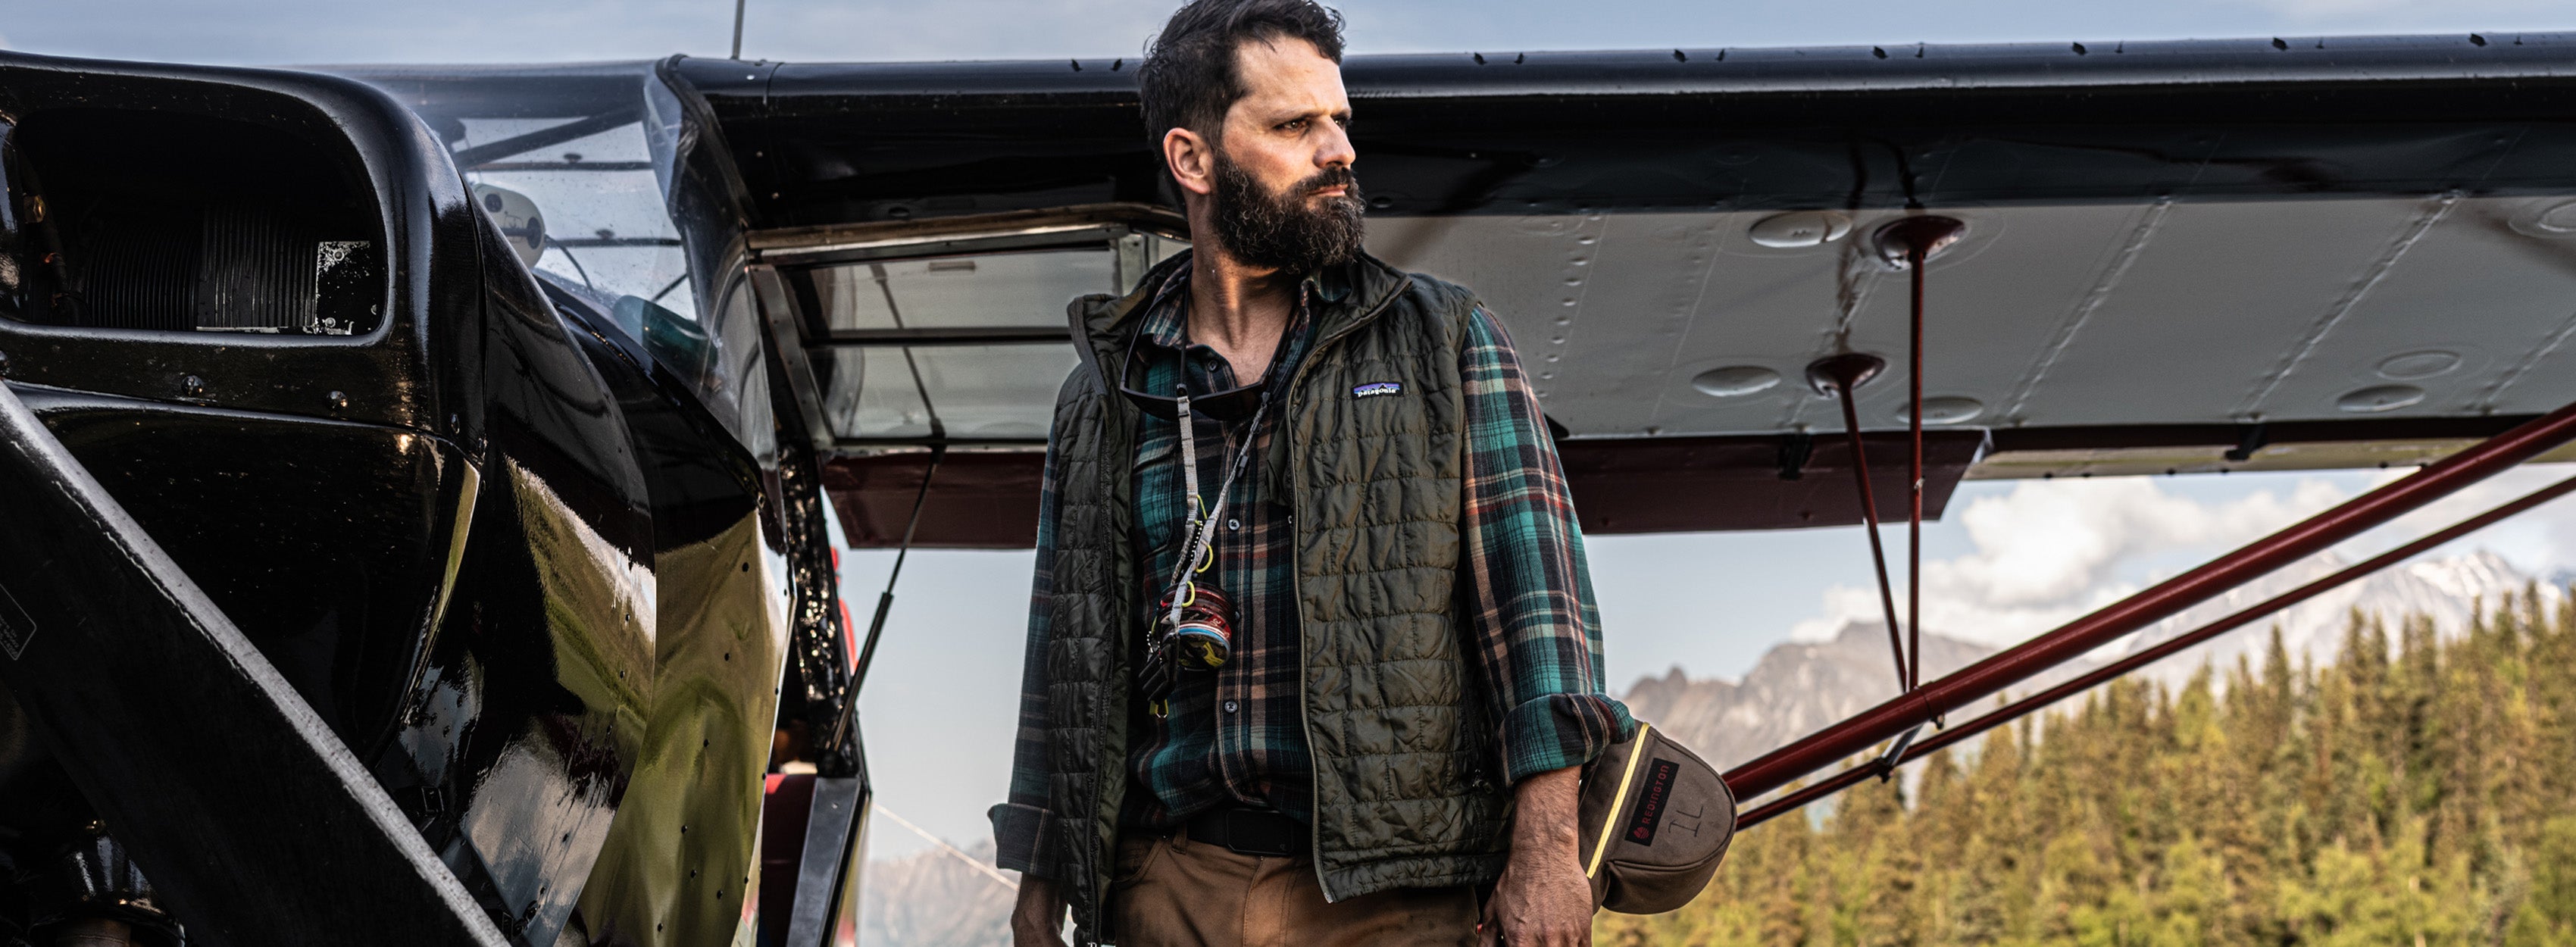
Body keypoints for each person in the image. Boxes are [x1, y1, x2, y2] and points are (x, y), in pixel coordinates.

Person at [989, 2, 1633, 943]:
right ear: (1193, 159)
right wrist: (1041, 883)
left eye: (1339, 121)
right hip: (1167, 885)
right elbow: (1066, 651)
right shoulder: (1103, 391)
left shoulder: (1447, 338)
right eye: (1295, 126)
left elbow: (1539, 615)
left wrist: (1546, 851)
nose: (1339, 151)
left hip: (1397, 892)